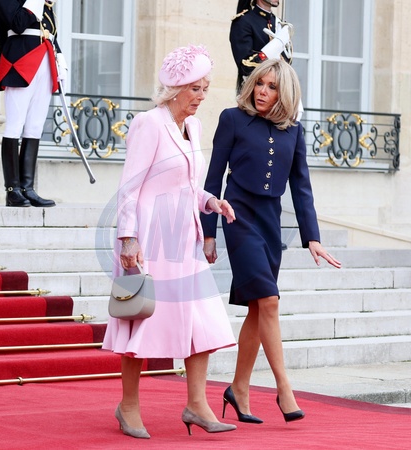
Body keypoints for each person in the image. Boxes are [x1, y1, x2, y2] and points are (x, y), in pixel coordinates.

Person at [102, 44, 238, 439]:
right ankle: (128, 406)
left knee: (202, 322)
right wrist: (128, 238)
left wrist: (211, 202)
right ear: (175, 88)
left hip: (185, 238)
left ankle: (197, 405)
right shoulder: (149, 123)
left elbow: (188, 185)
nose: (201, 96)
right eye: (195, 89)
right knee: (141, 319)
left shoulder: (193, 128)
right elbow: (130, 186)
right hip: (150, 235)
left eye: (205, 89)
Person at [201, 59, 342, 424]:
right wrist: (208, 233)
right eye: (259, 84)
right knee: (269, 300)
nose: (262, 91)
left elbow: (301, 186)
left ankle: (239, 389)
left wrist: (312, 237)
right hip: (237, 218)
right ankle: (284, 389)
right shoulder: (232, 119)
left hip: (270, 224)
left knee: (258, 308)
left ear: (285, 93)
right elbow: (213, 177)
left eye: (272, 87)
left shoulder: (293, 131)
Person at [0, 0, 68, 208]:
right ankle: (12, 190)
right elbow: (18, 24)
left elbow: (50, 33)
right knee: (14, 125)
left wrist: (60, 61)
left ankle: (27, 188)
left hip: (45, 59)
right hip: (21, 62)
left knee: (35, 126)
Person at [229, 0, 293, 93]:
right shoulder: (243, 21)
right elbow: (246, 66)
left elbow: (287, 62)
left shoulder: (278, 23)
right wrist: (275, 45)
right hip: (257, 91)